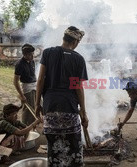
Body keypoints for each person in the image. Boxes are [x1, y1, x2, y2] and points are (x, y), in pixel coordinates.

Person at [35, 26, 89, 167]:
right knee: (73, 147)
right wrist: (83, 112)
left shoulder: (47, 53)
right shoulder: (78, 59)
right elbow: (78, 87)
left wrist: (36, 105)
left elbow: (40, 80)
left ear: (64, 38)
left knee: (54, 148)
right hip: (69, 107)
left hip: (50, 106)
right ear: (76, 42)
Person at [13, 43, 37, 126]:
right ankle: (25, 127)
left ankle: (33, 126)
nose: (32, 56)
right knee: (28, 110)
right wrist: (22, 95)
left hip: (34, 86)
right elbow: (15, 81)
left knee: (37, 107)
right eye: (30, 54)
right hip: (27, 88)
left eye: (33, 54)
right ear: (25, 54)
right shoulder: (20, 64)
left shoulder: (32, 61)